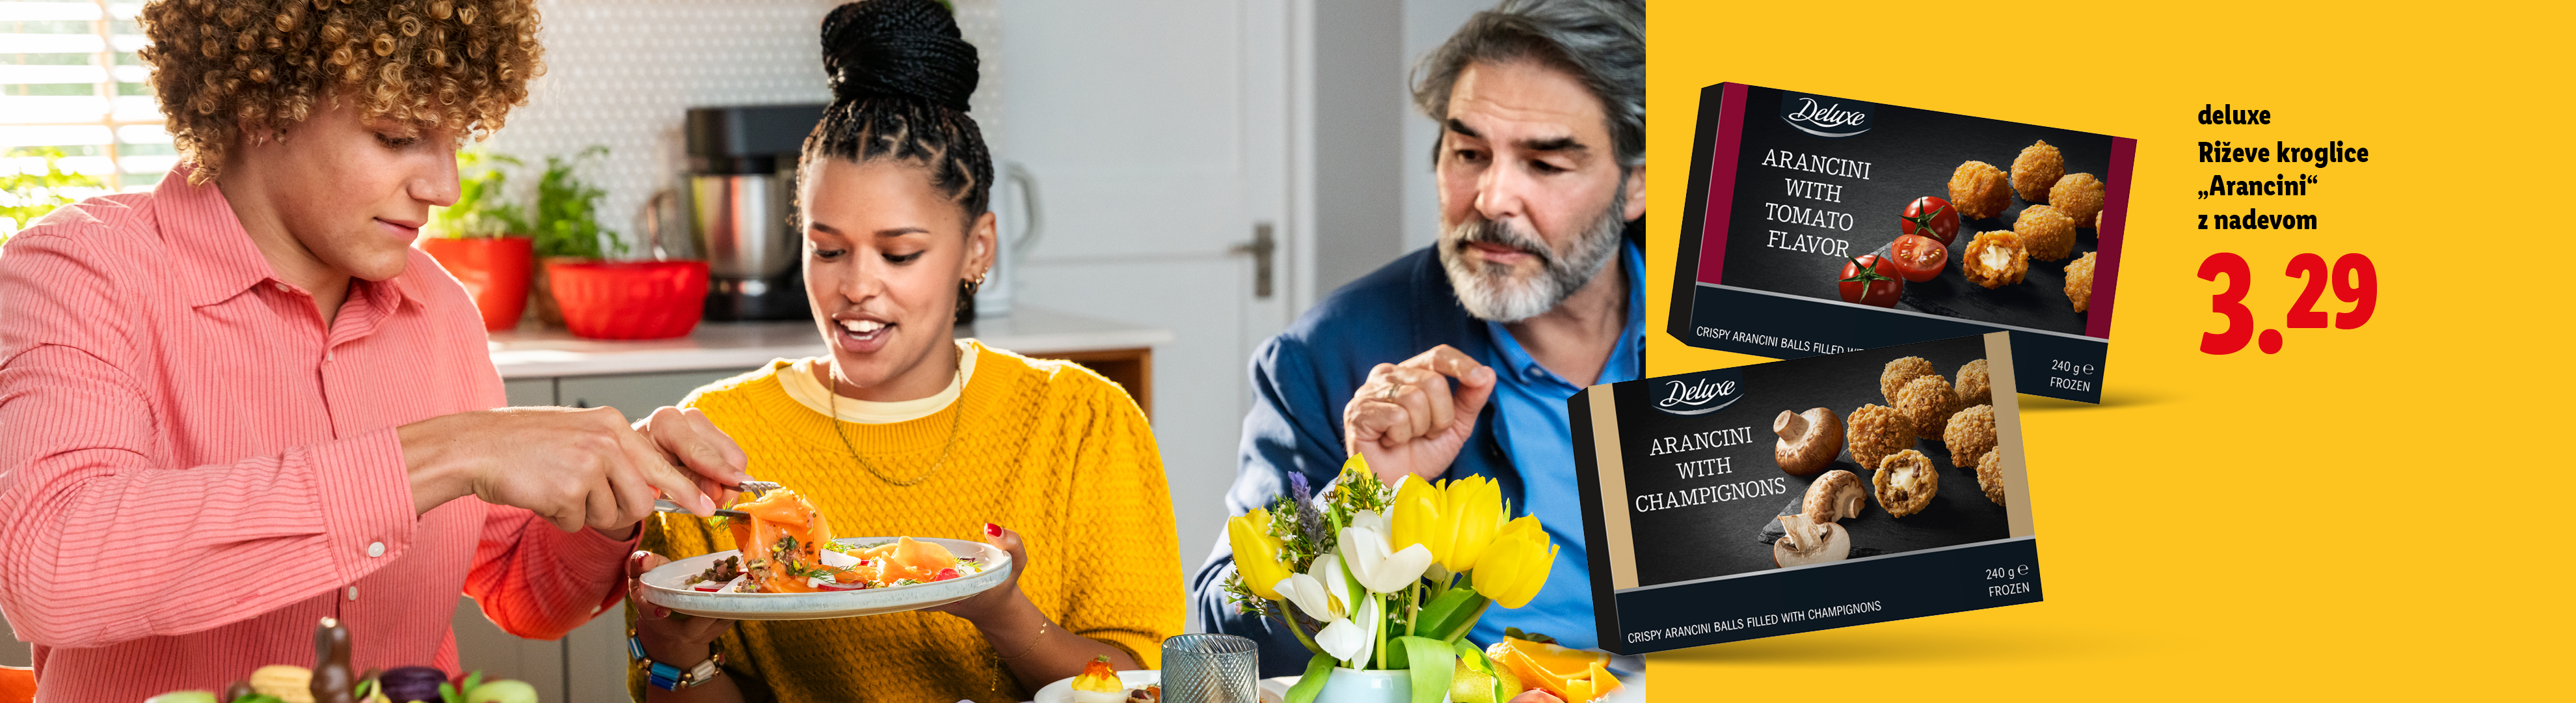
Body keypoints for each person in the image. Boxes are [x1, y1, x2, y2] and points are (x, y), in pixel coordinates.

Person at [0, 0, 753, 699]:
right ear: (261, 105)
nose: (447, 186)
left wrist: (613, 494)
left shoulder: (439, 309)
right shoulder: (81, 270)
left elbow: (522, 593)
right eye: (397, 138)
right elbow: (51, 568)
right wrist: (447, 452)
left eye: (456, 141)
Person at [619, 2, 1183, 701]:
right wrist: (677, 659)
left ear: (978, 249)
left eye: (900, 253)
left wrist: (1004, 613)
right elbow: (685, 687)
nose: (856, 286)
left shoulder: (1083, 420)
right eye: (827, 250)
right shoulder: (719, 441)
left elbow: (1147, 685)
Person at [1193, 0, 1644, 677]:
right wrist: (1358, 501)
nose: (1491, 199)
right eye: (1468, 153)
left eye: (1545, 165)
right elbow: (1224, 641)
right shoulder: (1326, 354)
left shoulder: (1740, 333)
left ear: (1637, 184)